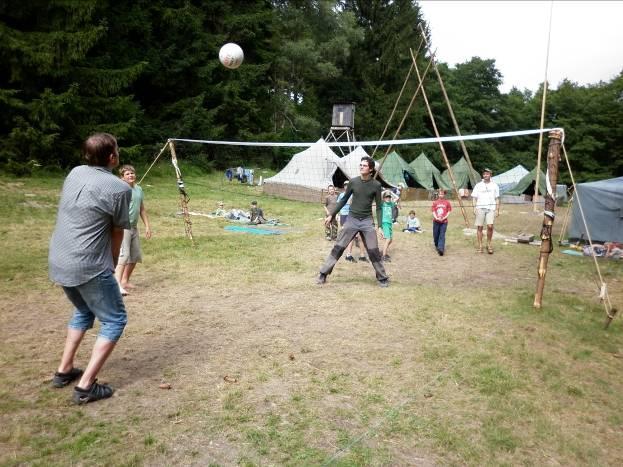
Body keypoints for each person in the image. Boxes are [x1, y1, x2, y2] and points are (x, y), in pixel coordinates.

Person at [48, 133, 132, 404]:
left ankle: (64, 371)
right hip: (88, 265)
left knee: (84, 310)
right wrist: (112, 262)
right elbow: (118, 230)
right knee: (115, 319)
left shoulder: (75, 173)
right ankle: (86, 386)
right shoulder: (120, 189)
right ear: (112, 157)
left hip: (60, 259)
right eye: (116, 150)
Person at [317, 156, 389, 287]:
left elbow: (379, 207)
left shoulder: (376, 185)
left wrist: (380, 226)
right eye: (360, 164)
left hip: (367, 221)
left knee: (373, 250)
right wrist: (331, 215)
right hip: (352, 219)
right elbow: (343, 200)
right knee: (338, 247)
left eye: (364, 165)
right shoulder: (353, 182)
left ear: (371, 169)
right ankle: (323, 273)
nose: (361, 166)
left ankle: (382, 277)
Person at [114, 165, 152, 295]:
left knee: (135, 256)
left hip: (134, 227)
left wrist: (147, 226)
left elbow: (141, 209)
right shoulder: (121, 190)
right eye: (127, 174)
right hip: (123, 227)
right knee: (123, 256)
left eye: (132, 173)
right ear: (122, 178)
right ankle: (117, 285)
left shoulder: (139, 189)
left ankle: (125, 281)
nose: (130, 176)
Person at [471, 168, 500, 254]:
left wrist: (497, 210)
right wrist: (474, 208)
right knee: (480, 227)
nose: (485, 175)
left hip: (491, 208)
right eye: (484, 174)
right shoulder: (478, 185)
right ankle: (480, 246)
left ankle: (489, 244)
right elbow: (474, 198)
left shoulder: (495, 185)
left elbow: (497, 198)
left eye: (487, 174)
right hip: (480, 208)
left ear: (490, 174)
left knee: (490, 226)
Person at [432, 189, 452, 256]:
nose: (441, 195)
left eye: (442, 194)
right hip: (436, 221)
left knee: (442, 235)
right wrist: (436, 217)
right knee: (436, 235)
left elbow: (449, 211)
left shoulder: (447, 202)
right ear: (438, 194)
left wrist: (444, 217)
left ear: (444, 195)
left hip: (444, 222)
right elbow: (433, 211)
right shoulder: (435, 202)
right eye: (440, 194)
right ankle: (437, 245)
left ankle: (441, 249)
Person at [380, 191, 396, 262]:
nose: (388, 198)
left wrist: (391, 193)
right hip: (385, 223)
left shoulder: (391, 204)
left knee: (391, 240)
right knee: (388, 239)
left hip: (389, 223)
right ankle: (383, 256)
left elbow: (397, 198)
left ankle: (384, 252)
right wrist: (385, 192)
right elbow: (379, 197)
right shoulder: (382, 204)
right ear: (384, 198)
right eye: (386, 197)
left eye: (389, 197)